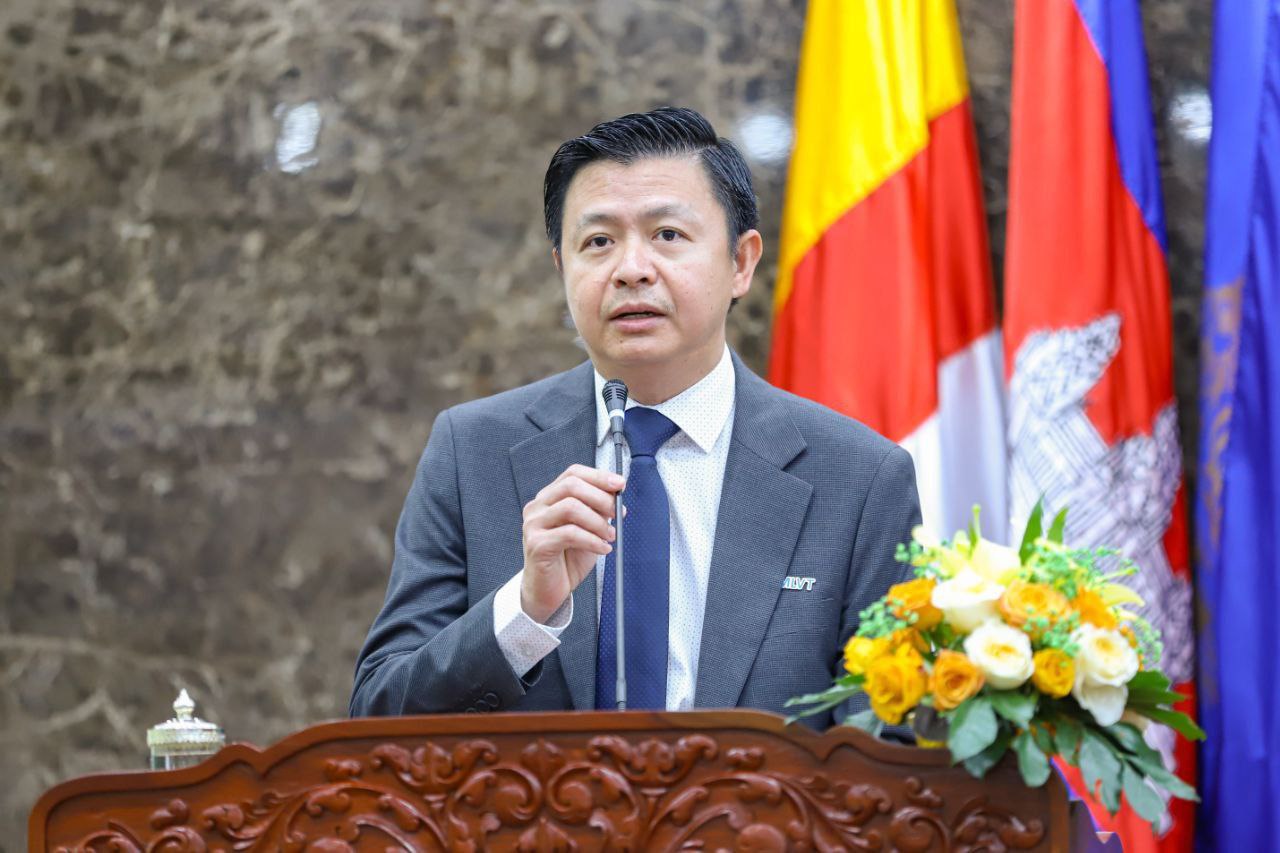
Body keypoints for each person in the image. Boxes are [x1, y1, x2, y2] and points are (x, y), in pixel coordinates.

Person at [349, 107, 921, 728]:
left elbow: (889, 741)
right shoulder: (472, 452)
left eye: (667, 234)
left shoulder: (860, 478)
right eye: (598, 242)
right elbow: (380, 713)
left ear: (741, 262)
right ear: (562, 268)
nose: (631, 270)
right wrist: (525, 611)